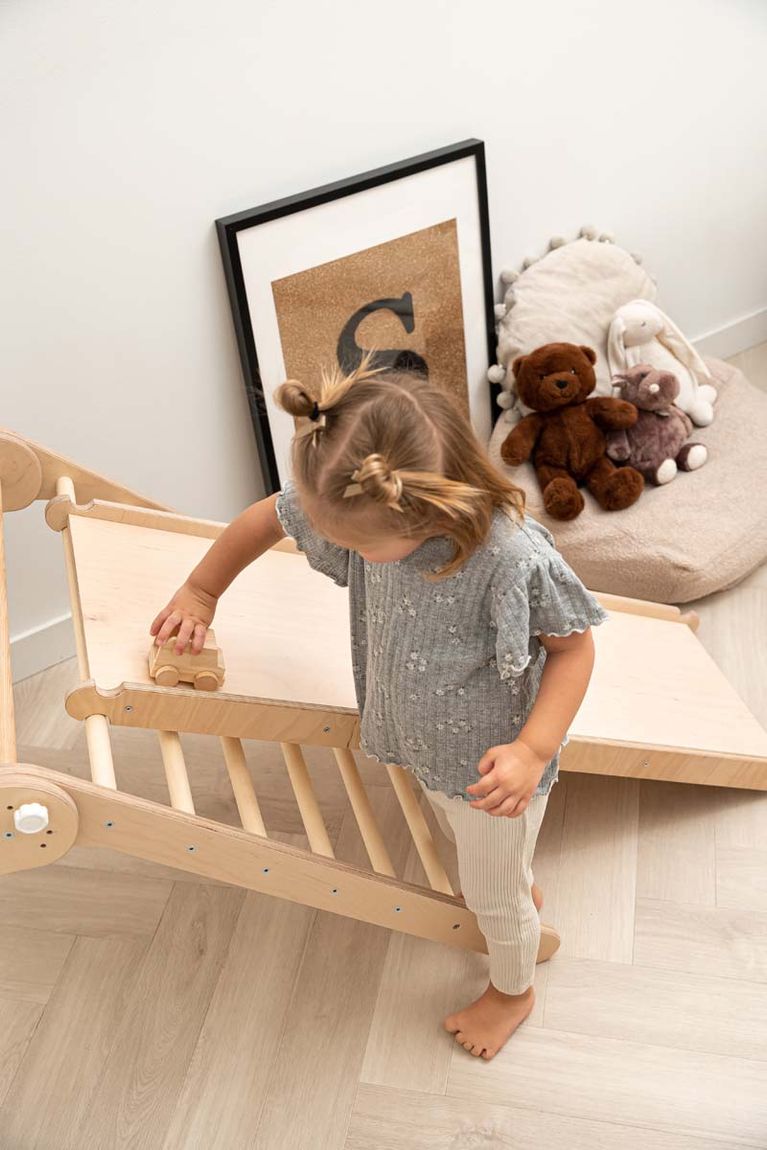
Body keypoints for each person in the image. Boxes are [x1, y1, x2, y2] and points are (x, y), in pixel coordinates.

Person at [150, 362, 607, 1060]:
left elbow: (573, 653)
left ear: (428, 510)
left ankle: (513, 991)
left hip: (488, 775)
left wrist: (532, 751)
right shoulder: (360, 495)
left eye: (361, 547)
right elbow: (266, 516)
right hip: (423, 739)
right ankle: (510, 878)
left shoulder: (509, 558)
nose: (350, 554)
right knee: (471, 854)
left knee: (492, 900)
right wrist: (201, 591)